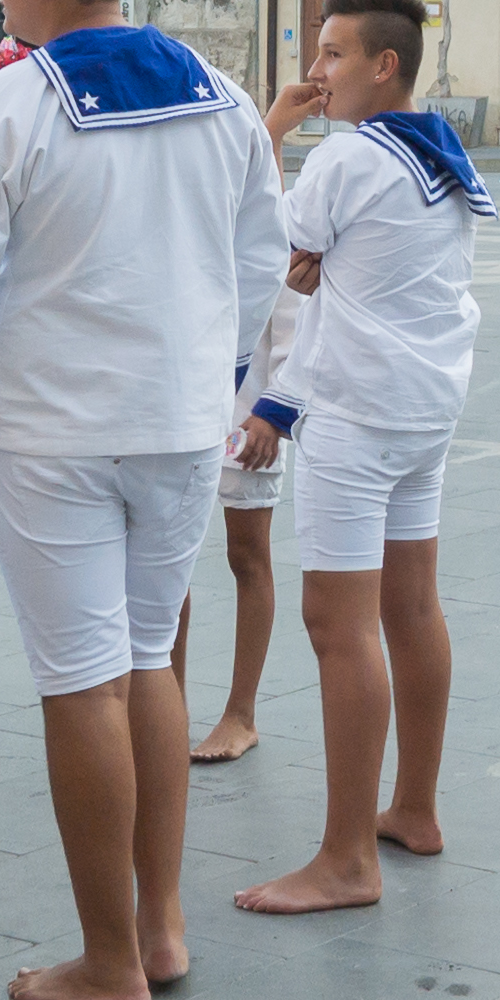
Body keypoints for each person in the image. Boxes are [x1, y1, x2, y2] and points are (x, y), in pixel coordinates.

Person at [0, 0, 285, 1000]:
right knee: (146, 662)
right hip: (177, 426)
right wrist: (212, 377)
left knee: (78, 682)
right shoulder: (220, 95)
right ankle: (158, 929)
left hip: (54, 432)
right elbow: (259, 258)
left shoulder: (6, 107)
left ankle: (106, 960)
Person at [231, 0, 489, 916]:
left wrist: (272, 129)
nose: (315, 70)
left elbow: (260, 244)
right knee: (412, 604)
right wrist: (314, 258)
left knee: (340, 625)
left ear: (385, 65)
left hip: (353, 411)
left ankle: (346, 857)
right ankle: (413, 806)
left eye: (333, 54)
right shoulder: (442, 148)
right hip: (425, 407)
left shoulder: (344, 159)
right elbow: (309, 262)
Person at [171, 283, 303, 764]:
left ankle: (241, 714)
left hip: (250, 414)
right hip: (177, 406)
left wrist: (275, 412)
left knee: (247, 554)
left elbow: (296, 324)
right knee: (165, 560)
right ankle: (169, 705)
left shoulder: (289, 214)